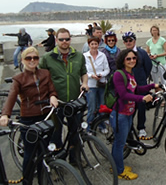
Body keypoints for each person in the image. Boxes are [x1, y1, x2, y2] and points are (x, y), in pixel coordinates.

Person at [0, 46, 58, 181]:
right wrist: (5, 114)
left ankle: (44, 174)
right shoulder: (18, 79)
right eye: (28, 58)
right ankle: (27, 181)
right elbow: (12, 96)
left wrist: (53, 96)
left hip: (45, 116)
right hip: (28, 119)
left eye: (35, 57)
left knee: (44, 150)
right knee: (29, 154)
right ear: (23, 60)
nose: (32, 60)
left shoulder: (45, 73)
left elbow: (51, 90)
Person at [39, 28, 89, 164]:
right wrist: (49, 95)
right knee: (55, 133)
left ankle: (75, 159)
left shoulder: (78, 56)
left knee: (75, 132)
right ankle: (57, 163)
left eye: (67, 39)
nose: (64, 42)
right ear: (56, 41)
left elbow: (84, 72)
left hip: (74, 101)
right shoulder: (47, 58)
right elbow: (40, 79)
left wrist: (84, 83)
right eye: (61, 39)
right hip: (56, 102)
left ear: (70, 39)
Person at [110, 49, 157, 180]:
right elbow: (124, 95)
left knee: (121, 141)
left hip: (129, 113)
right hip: (120, 114)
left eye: (134, 58)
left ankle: (115, 165)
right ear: (122, 60)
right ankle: (119, 171)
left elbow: (136, 89)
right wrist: (142, 99)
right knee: (119, 143)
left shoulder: (130, 73)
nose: (132, 61)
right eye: (128, 59)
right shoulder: (119, 75)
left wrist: (153, 85)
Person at [122, 31, 152, 138]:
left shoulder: (142, 53)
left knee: (141, 106)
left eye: (130, 40)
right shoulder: (122, 54)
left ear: (135, 41)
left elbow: (148, 66)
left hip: (141, 84)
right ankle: (129, 128)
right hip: (128, 86)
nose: (128, 42)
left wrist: (142, 78)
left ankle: (141, 127)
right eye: (126, 41)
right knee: (129, 107)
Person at [83, 37, 110, 131]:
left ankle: (101, 125)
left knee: (102, 106)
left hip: (101, 83)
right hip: (90, 85)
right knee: (92, 107)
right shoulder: (85, 56)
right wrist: (91, 75)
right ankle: (88, 127)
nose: (94, 46)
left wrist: (101, 75)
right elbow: (83, 71)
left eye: (96, 44)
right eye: (92, 44)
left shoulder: (102, 55)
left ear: (98, 45)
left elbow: (107, 69)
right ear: (89, 45)